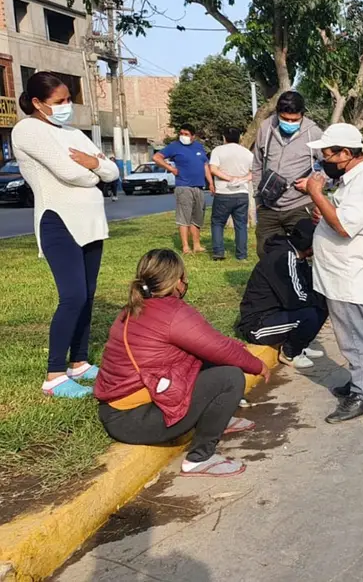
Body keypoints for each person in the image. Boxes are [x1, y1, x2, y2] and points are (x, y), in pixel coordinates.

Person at [94, 249, 271, 477]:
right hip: (135, 420)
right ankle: (200, 458)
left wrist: (238, 350)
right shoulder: (172, 313)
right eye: (183, 277)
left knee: (208, 361)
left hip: (118, 414)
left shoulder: (133, 308)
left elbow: (211, 343)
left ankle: (217, 420)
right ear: (177, 281)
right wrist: (258, 366)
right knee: (229, 377)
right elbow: (220, 348)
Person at [13, 71, 121, 397]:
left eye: (69, 99)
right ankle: (54, 375)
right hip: (59, 222)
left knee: (87, 295)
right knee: (72, 296)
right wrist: (94, 168)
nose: (66, 106)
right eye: (59, 101)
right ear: (37, 102)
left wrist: (95, 165)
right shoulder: (27, 130)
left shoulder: (74, 133)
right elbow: (71, 173)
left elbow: (112, 172)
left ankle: (80, 362)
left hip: (91, 223)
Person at [300, 123, 363, 423]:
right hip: (339, 271)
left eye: (327, 155)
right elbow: (338, 216)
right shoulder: (353, 180)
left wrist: (315, 193)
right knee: (350, 334)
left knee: (354, 336)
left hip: (350, 273)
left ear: (346, 154)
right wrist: (322, 206)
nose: (323, 162)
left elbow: (343, 226)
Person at [237, 219, 328, 370]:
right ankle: (290, 353)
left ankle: (301, 346)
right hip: (257, 325)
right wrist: (318, 300)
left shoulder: (298, 257)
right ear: (309, 244)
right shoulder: (285, 257)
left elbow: (307, 287)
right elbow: (295, 299)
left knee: (322, 304)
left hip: (277, 314)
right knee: (311, 313)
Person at [251, 90, 323, 258]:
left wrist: (312, 183)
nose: (290, 123)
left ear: (302, 115)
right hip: (268, 207)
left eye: (294, 120)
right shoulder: (266, 128)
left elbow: (329, 164)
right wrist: (258, 199)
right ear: (278, 113)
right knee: (267, 255)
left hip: (300, 206)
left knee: (308, 252)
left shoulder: (314, 133)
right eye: (285, 119)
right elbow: (257, 164)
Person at [154, 125, 213, 254]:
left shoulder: (198, 147)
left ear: (193, 136)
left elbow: (205, 165)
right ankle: (186, 246)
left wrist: (211, 183)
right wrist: (170, 168)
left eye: (186, 134)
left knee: (197, 217)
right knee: (184, 217)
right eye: (181, 133)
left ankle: (197, 245)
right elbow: (157, 157)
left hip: (199, 187)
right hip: (184, 186)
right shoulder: (174, 146)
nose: (183, 136)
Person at [209, 127, 253, 261]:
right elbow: (254, 172)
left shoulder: (218, 151)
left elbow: (213, 169)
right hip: (241, 192)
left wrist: (229, 178)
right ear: (240, 137)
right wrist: (241, 179)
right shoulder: (247, 153)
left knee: (217, 223)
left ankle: (218, 252)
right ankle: (241, 254)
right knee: (241, 225)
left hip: (223, 192)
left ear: (224, 138)